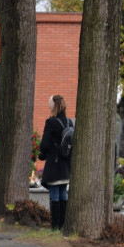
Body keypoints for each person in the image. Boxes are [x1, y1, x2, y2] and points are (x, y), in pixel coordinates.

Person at [38, 94, 71, 230]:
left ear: (53, 106)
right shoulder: (69, 122)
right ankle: (62, 225)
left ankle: (55, 226)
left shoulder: (51, 122)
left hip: (54, 164)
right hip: (66, 165)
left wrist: (42, 154)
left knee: (55, 195)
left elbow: (45, 144)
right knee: (63, 193)